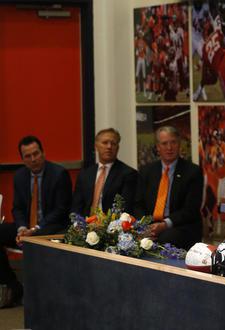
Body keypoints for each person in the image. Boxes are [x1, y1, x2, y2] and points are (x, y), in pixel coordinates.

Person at [0, 136, 72, 307]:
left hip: (51, 227)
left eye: (36, 154)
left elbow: (61, 210)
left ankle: (41, 295)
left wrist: (35, 229)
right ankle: (14, 285)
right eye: (28, 156)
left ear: (43, 153)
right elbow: (17, 208)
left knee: (35, 237)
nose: (33, 159)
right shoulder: (19, 176)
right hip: (27, 228)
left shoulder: (59, 174)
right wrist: (22, 228)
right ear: (23, 159)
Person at [135, 126, 203, 250]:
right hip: (150, 225)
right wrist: (145, 226)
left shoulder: (192, 172)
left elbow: (190, 210)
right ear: (158, 147)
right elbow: (138, 204)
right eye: (164, 143)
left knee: (166, 238)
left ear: (179, 144)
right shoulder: (146, 171)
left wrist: (165, 224)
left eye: (173, 142)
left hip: (179, 226)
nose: (169, 147)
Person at [72, 128, 138, 216]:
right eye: (105, 143)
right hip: (85, 225)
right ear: (96, 146)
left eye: (113, 143)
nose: (109, 147)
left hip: (112, 225)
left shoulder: (128, 174)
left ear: (117, 148)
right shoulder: (85, 174)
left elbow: (126, 208)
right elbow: (76, 206)